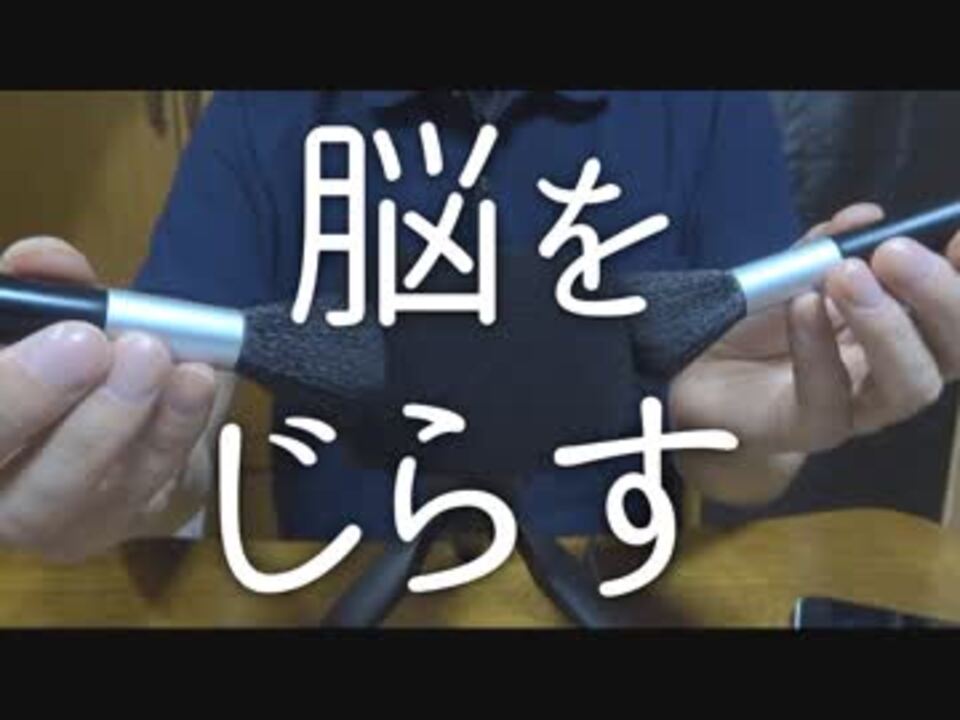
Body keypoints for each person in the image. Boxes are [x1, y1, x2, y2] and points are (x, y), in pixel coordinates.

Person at [1, 90, 958, 561]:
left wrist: (761, 425)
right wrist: (123, 481)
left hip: (624, 583)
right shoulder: (267, 107)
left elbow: (741, 451)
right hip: (344, 587)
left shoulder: (704, 99)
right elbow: (178, 427)